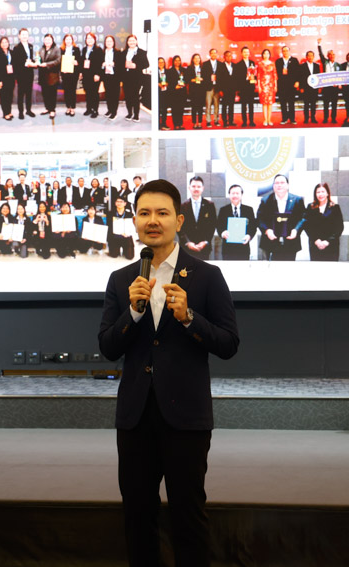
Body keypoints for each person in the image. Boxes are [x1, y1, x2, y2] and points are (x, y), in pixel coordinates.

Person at [97, 179, 239, 567]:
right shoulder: (121, 280)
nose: (153, 221)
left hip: (186, 418)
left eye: (162, 213)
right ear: (135, 221)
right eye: (144, 213)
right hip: (135, 418)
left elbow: (229, 344)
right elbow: (108, 347)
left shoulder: (207, 276)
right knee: (137, 516)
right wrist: (133, 313)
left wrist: (189, 316)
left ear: (179, 220)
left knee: (188, 516)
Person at [256, 173, 305, 261]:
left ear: (287, 185)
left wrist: (296, 230)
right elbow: (259, 219)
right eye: (277, 183)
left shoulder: (297, 200)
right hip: (270, 242)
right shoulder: (265, 200)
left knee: (288, 268)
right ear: (273, 186)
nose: (279, 185)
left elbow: (302, 218)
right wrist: (267, 230)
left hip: (290, 242)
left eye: (282, 183)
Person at [179, 176, 217, 260]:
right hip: (187, 249)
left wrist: (205, 241)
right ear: (189, 188)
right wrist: (187, 242)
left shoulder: (210, 205)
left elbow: (212, 225)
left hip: (204, 249)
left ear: (202, 188)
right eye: (193, 186)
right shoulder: (182, 206)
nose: (196, 189)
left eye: (199, 186)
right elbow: (179, 227)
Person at [304, 182, 343, 261]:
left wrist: (328, 241)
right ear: (315, 194)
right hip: (315, 245)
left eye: (323, 191)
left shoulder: (335, 207)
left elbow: (339, 227)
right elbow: (307, 226)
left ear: (327, 193)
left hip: (331, 245)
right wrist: (316, 240)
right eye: (318, 192)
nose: (320, 194)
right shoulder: (310, 207)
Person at [217, 184, 257, 261]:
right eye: (233, 193)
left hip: (243, 248)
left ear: (241, 195)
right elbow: (219, 226)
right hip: (228, 249)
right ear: (229, 195)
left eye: (237, 193)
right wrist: (222, 233)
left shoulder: (248, 210)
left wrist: (249, 236)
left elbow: (253, 226)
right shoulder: (223, 210)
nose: (235, 195)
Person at [122, 34, 149, 122]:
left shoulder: (142, 52)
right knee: (128, 97)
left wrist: (136, 65)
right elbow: (120, 64)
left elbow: (146, 64)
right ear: (127, 42)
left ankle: (136, 115)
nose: (132, 42)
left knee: (135, 97)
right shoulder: (124, 52)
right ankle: (129, 113)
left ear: (136, 42)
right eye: (130, 40)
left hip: (137, 78)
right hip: (126, 78)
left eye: (133, 40)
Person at [13, 28, 37, 120]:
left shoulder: (30, 46)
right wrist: (25, 63)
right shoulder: (16, 48)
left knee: (29, 93)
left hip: (29, 74)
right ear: (19, 36)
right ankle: (20, 112)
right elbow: (15, 63)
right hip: (21, 75)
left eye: (26, 34)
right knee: (21, 94)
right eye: (22, 34)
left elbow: (30, 59)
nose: (24, 36)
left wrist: (35, 62)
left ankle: (28, 110)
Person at [317, 39, 342, 124]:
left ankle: (333, 118)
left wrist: (339, 84)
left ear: (334, 55)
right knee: (326, 104)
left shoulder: (338, 65)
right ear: (327, 56)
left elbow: (340, 76)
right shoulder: (325, 62)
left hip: (335, 88)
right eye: (330, 54)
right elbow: (321, 54)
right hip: (326, 87)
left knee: (334, 104)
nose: (331, 55)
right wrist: (319, 44)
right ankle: (325, 118)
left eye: (333, 54)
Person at [275, 46, 300, 125]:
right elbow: (276, 73)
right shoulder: (278, 61)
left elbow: (298, 72)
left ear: (289, 51)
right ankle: (284, 118)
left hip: (291, 85)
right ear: (282, 52)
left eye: (287, 51)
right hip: (282, 85)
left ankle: (292, 119)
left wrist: (297, 81)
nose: (285, 52)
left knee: (291, 102)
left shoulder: (294, 60)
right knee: (283, 102)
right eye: (284, 51)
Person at [38, 34, 61, 119]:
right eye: (46, 39)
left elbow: (58, 61)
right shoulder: (41, 49)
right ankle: (47, 108)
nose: (47, 41)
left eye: (49, 40)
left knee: (52, 93)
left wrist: (46, 64)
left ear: (52, 40)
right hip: (43, 75)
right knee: (45, 93)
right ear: (44, 40)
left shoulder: (56, 49)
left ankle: (52, 110)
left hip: (52, 76)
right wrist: (35, 62)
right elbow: (38, 59)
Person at [81, 32, 103, 118]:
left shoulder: (98, 50)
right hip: (86, 75)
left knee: (94, 93)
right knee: (88, 92)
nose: (89, 40)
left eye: (91, 38)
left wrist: (97, 74)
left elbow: (100, 63)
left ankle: (95, 110)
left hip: (95, 75)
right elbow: (82, 61)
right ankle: (89, 109)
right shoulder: (84, 49)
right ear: (85, 40)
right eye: (88, 38)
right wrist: (81, 72)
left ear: (94, 40)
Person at [0, 36, 16, 120]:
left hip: (11, 78)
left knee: (10, 96)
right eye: (2, 42)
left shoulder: (12, 53)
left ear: (8, 43)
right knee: (3, 96)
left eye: (6, 42)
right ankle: (5, 113)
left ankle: (9, 111)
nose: (4, 44)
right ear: (0, 44)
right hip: (2, 79)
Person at [234, 46, 256, 127]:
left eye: (247, 52)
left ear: (249, 53)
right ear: (241, 53)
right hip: (243, 87)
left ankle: (251, 121)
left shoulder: (252, 63)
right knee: (243, 105)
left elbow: (255, 74)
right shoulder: (238, 64)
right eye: (244, 52)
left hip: (251, 87)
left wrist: (253, 78)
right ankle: (244, 121)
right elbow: (237, 77)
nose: (246, 53)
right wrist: (246, 77)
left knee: (251, 105)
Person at [60, 34, 81, 117]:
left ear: (72, 40)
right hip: (65, 73)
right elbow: (59, 61)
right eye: (66, 39)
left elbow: (80, 60)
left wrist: (77, 62)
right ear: (64, 41)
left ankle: (72, 108)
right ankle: (68, 107)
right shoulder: (61, 49)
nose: (68, 41)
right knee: (66, 91)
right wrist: (62, 69)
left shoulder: (76, 49)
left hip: (73, 74)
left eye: (69, 39)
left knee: (72, 91)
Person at [101, 35, 122, 119]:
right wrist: (102, 65)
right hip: (106, 76)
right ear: (105, 43)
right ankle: (109, 110)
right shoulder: (102, 52)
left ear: (113, 43)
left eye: (110, 41)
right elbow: (99, 63)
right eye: (107, 41)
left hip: (115, 77)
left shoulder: (118, 52)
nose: (109, 43)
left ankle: (114, 112)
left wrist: (114, 64)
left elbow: (121, 65)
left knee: (115, 95)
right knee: (108, 94)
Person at [256, 48, 277, 126]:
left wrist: (275, 85)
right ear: (262, 55)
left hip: (271, 85)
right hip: (263, 85)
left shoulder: (272, 64)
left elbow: (275, 75)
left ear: (269, 55)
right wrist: (259, 86)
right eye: (264, 53)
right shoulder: (260, 64)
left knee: (270, 103)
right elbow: (258, 76)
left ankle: (269, 120)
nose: (266, 55)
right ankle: (265, 120)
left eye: (267, 53)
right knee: (264, 103)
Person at [185, 53, 207, 129]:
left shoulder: (203, 68)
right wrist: (193, 80)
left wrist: (202, 79)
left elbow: (206, 78)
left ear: (200, 59)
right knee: (194, 108)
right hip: (193, 90)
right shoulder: (189, 68)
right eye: (195, 58)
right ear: (193, 60)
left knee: (200, 107)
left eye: (198, 58)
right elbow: (187, 79)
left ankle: (200, 122)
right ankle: (194, 123)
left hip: (201, 90)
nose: (197, 59)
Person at [298, 49, 320, 124]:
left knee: (313, 104)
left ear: (313, 57)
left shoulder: (317, 66)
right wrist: (301, 88)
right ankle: (306, 118)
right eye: (309, 56)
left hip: (314, 88)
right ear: (306, 57)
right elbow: (300, 78)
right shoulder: (302, 66)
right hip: (306, 88)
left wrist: (318, 87)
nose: (310, 57)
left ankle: (313, 118)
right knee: (306, 104)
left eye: (311, 56)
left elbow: (318, 77)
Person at [217, 50, 237, 127]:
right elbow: (218, 79)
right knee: (224, 106)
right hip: (224, 90)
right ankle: (225, 122)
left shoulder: (234, 66)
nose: (228, 57)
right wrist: (220, 90)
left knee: (231, 106)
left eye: (230, 56)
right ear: (224, 57)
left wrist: (236, 90)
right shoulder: (220, 66)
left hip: (232, 90)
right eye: (227, 56)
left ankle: (231, 121)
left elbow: (236, 79)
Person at [167, 55, 187, 130]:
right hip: (174, 92)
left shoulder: (183, 70)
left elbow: (187, 79)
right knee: (175, 109)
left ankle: (180, 124)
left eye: (179, 60)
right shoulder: (170, 71)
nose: (177, 62)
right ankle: (176, 124)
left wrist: (184, 83)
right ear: (173, 62)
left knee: (181, 109)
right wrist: (174, 87)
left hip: (182, 92)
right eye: (176, 60)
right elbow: (168, 81)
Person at [202, 49, 220, 128]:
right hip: (208, 87)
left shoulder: (220, 64)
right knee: (208, 105)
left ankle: (216, 120)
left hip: (217, 87)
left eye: (215, 53)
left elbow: (222, 76)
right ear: (209, 54)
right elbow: (203, 75)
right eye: (212, 53)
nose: (213, 54)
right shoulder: (205, 64)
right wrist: (210, 79)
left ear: (217, 54)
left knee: (217, 105)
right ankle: (208, 121)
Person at [156, 57, 169, 130]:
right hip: (158, 93)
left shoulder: (167, 71)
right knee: (158, 109)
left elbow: (170, 80)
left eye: (162, 62)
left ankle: (164, 124)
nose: (161, 63)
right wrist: (158, 84)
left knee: (164, 109)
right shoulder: (155, 71)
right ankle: (157, 125)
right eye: (159, 62)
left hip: (165, 93)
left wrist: (167, 83)